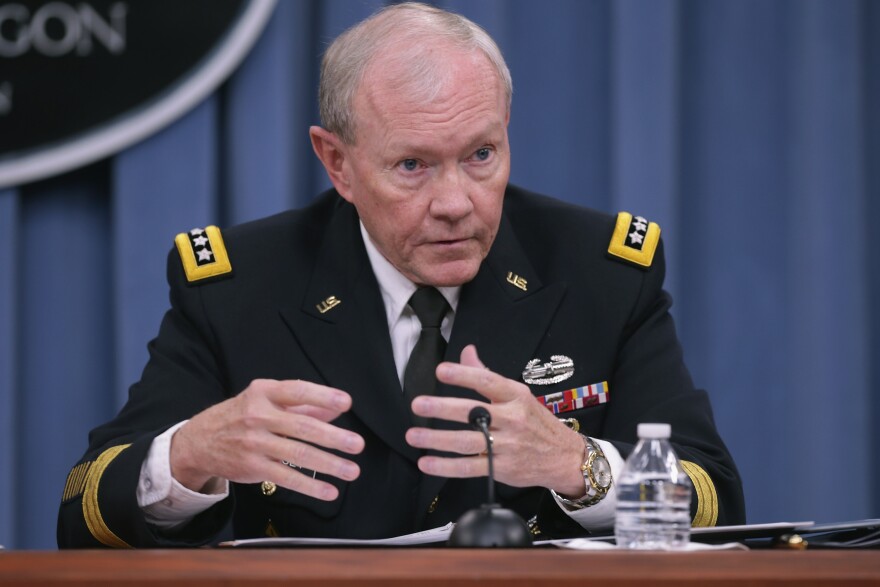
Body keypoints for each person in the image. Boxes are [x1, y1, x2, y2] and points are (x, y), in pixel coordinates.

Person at [57, 2, 744, 548]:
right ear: (337, 163)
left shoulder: (599, 272)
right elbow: (87, 508)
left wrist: (578, 465)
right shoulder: (241, 288)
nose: (454, 202)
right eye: (412, 166)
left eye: (480, 154)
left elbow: (712, 497)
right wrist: (192, 454)